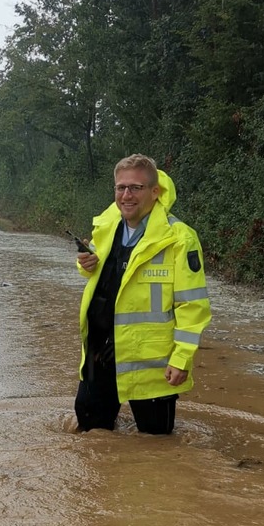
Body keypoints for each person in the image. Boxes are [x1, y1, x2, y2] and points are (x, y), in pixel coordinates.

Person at [75, 154, 211, 434]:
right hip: (99, 352)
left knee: (156, 444)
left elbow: (192, 304)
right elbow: (104, 275)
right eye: (120, 188)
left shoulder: (179, 238)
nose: (126, 195)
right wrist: (85, 265)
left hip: (151, 360)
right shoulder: (106, 226)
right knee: (91, 438)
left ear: (154, 191)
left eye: (135, 188)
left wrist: (181, 358)